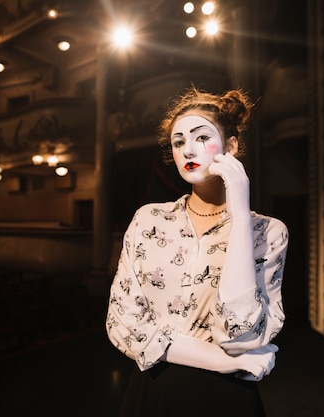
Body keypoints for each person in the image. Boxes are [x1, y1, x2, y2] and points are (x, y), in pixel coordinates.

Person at [105, 87, 289, 416]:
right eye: (179, 142)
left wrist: (240, 210)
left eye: (202, 138)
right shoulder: (150, 220)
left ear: (231, 146)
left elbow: (240, 335)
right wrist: (221, 361)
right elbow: (123, 325)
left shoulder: (268, 232)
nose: (188, 148)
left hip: (225, 400)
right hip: (154, 392)